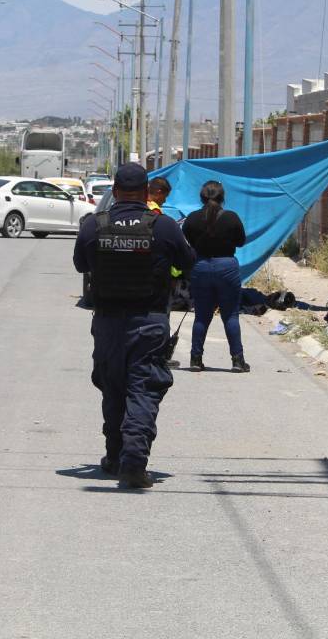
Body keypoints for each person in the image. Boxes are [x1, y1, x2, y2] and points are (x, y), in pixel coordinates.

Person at [73, 163, 195, 488]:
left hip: (108, 322)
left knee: (113, 387)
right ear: (146, 194)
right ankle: (132, 462)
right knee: (142, 388)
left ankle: (114, 457)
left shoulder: (93, 226)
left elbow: (80, 264)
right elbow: (187, 264)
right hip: (149, 321)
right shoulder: (165, 227)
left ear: (114, 192)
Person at [182, 180, 249, 372]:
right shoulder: (231, 217)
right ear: (222, 198)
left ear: (201, 197)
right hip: (227, 267)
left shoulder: (192, 219)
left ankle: (195, 359)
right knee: (231, 315)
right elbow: (241, 241)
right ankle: (237, 360)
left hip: (201, 266)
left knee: (202, 316)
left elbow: (188, 240)